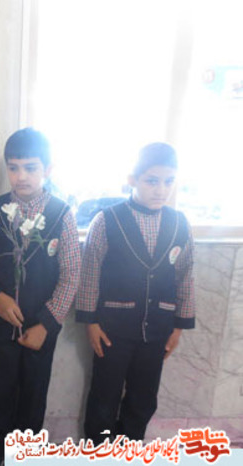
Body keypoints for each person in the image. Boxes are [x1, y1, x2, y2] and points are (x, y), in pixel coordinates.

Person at [0, 128, 81, 466]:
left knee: (33, 393)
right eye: (13, 168)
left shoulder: (62, 214)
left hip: (40, 328)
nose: (21, 176)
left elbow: (71, 274)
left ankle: (26, 456)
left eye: (31, 168)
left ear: (48, 169)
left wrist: (46, 323)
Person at [75, 142, 195, 444]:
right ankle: (100, 452)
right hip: (112, 328)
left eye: (168, 181)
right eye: (152, 181)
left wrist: (179, 327)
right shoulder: (107, 220)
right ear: (133, 179)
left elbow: (184, 275)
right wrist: (90, 322)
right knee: (104, 395)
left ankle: (130, 448)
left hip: (157, 329)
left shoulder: (180, 224)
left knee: (144, 397)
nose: (160, 190)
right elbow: (90, 273)